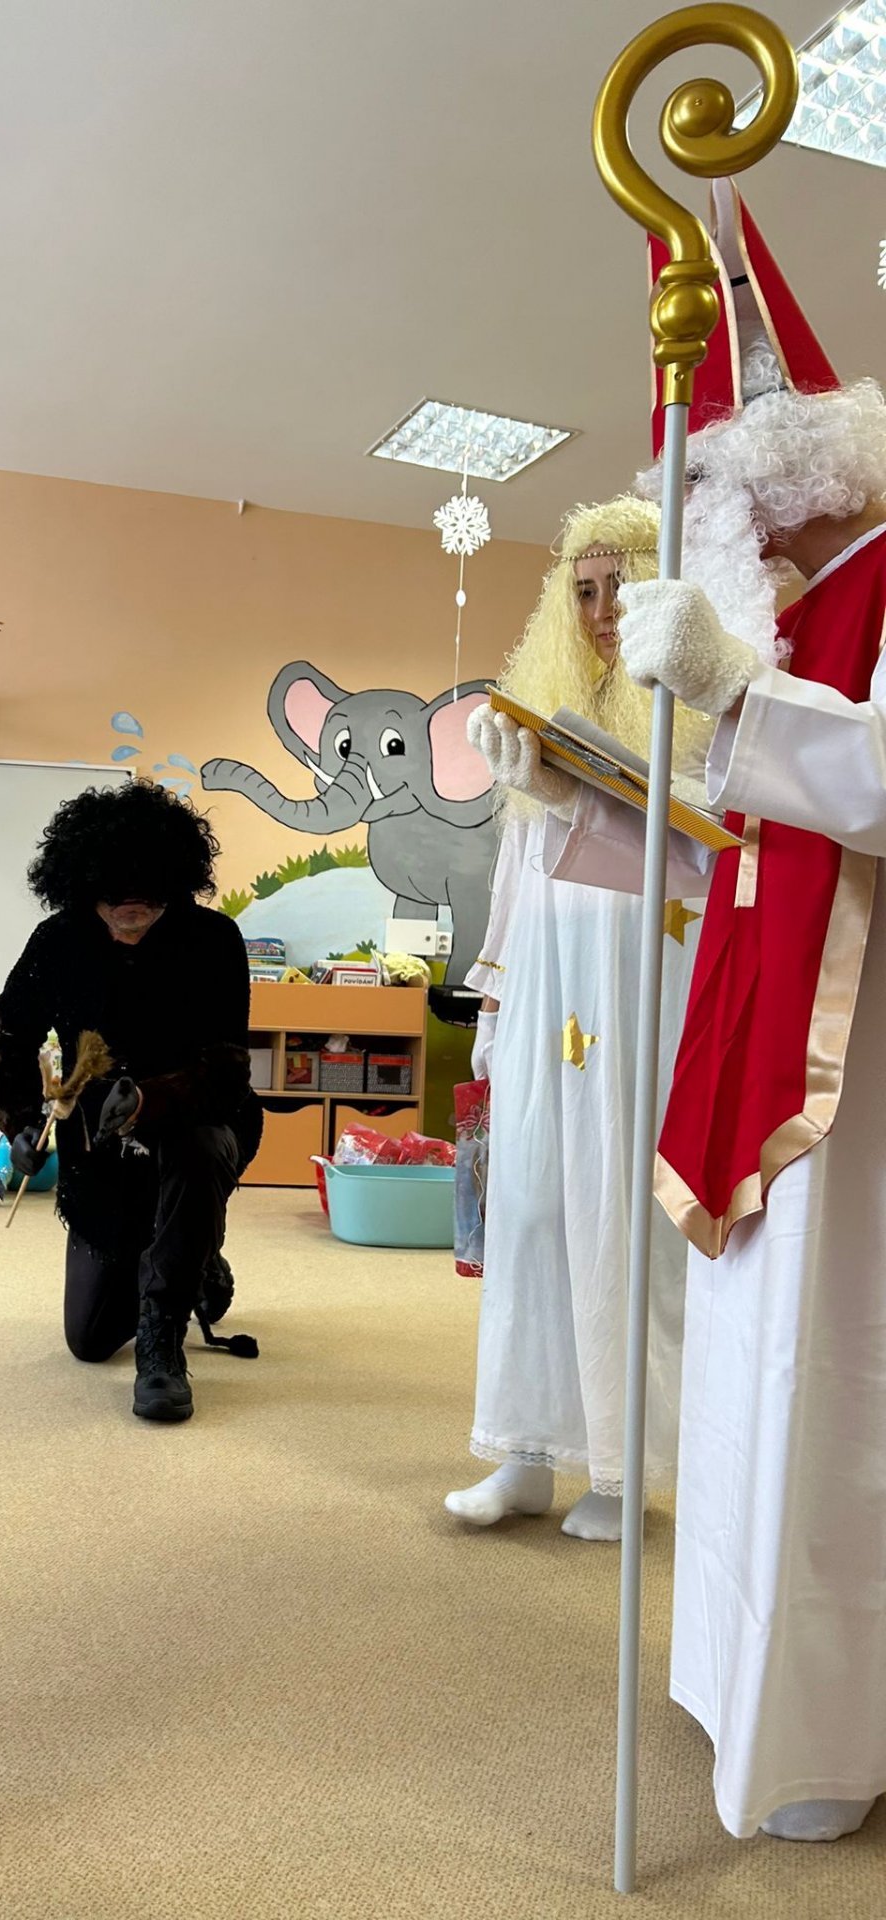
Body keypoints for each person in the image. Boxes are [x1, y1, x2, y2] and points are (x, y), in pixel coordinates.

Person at [488, 186, 886, 1843]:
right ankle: (746, 1695)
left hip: (857, 1056)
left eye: (727, 492)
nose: (714, 525)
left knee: (829, 1377)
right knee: (752, 1359)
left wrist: (742, 690)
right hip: (761, 1007)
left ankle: (824, 1737)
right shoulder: (800, 603)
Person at [445, 497, 712, 1540]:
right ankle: (524, 1452)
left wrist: (579, 795)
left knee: (623, 1226)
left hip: (644, 992)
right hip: (549, 997)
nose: (602, 611)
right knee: (532, 1215)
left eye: (621, 586)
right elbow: (517, 876)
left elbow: (697, 854)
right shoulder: (549, 714)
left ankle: (620, 1471)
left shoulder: (700, 722)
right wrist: (497, 1001)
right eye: (586, 590)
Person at [0, 779, 262, 1424]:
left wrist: (147, 1101)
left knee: (196, 1153)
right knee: (89, 1341)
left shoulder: (214, 939)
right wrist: (20, 1123)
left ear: (175, 881)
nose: (130, 911)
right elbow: (5, 1036)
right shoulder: (58, 941)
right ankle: (195, 1259)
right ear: (83, 887)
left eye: (147, 896)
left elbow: (228, 1067)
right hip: (96, 1146)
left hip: (199, 1123)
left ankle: (163, 1341)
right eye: (113, 897)